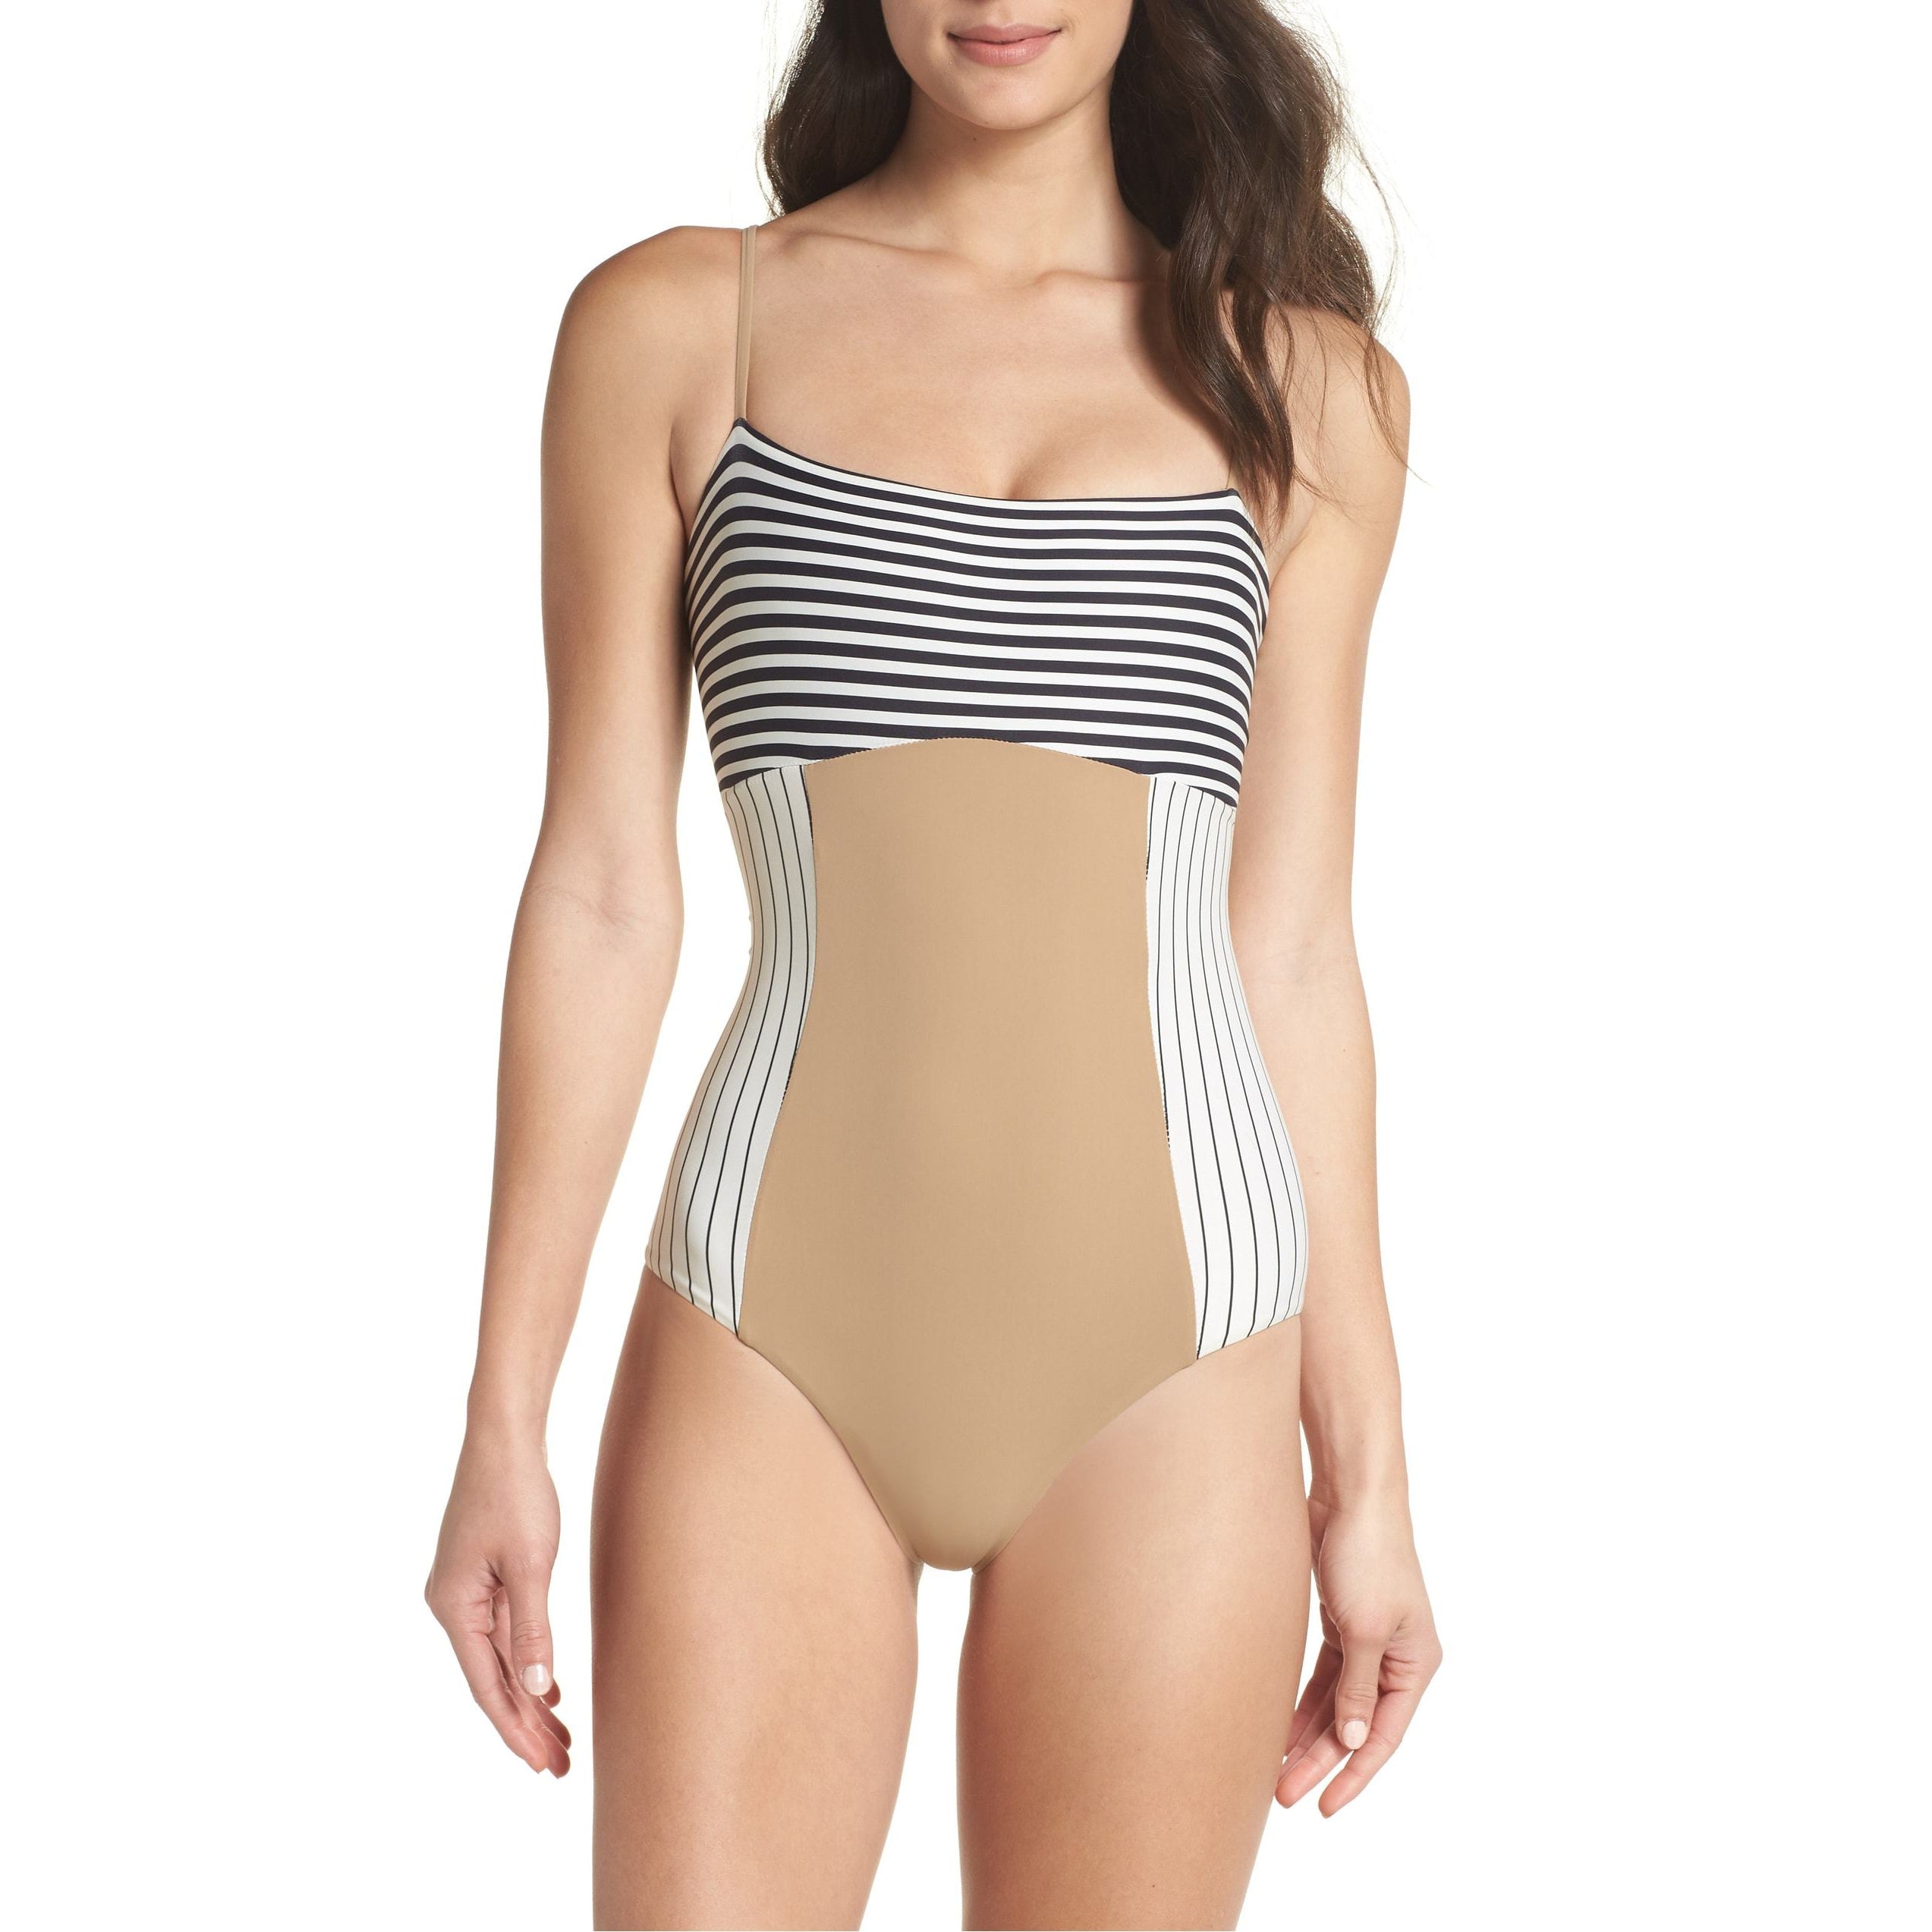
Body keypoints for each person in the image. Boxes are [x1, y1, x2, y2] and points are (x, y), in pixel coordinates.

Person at [427, 3, 1441, 1924]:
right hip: (767, 1322)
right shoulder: (678, 328)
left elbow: (1295, 949)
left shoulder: (1310, 396)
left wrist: (1369, 1475)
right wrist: (501, 1417)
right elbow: (603, 891)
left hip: (1181, 1342)